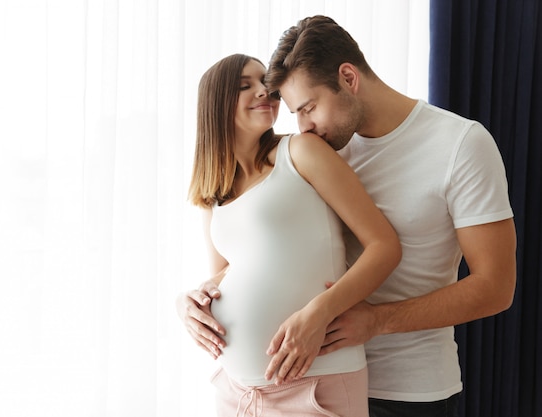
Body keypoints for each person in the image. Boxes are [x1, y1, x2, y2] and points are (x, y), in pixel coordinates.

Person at [177, 16, 517, 417]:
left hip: (406, 390)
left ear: (348, 78)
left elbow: (495, 287)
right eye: (293, 113)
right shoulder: (319, 147)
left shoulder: (460, 145)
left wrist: (375, 322)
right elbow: (260, 255)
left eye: (308, 108)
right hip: (299, 376)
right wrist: (195, 300)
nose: (302, 126)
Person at [182, 53, 401, 417]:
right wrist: (186, 302)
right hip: (235, 389)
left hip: (315, 383)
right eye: (244, 85)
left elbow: (384, 246)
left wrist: (318, 314)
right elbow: (225, 276)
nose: (264, 90)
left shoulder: (301, 151)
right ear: (216, 104)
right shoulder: (214, 193)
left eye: (264, 82)